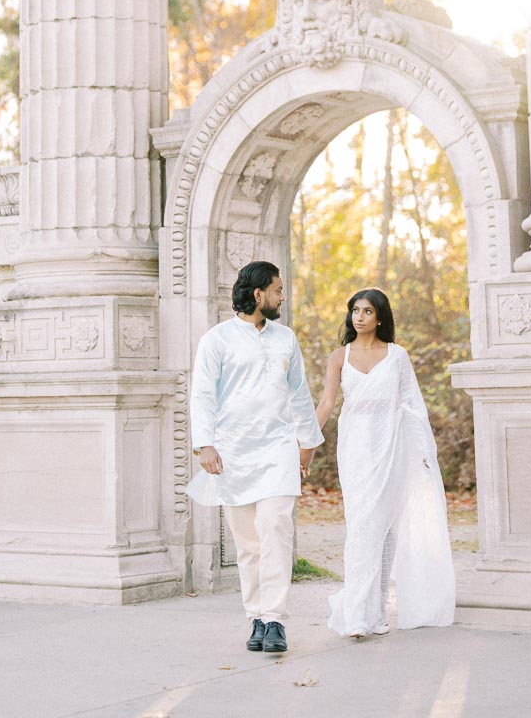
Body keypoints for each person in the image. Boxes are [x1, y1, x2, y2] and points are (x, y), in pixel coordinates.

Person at [187, 260, 324, 654]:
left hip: (279, 448)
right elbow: (203, 395)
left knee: (276, 529)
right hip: (233, 452)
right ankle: (257, 619)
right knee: (248, 544)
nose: (283, 296)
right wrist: (206, 444)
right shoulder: (217, 339)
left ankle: (277, 619)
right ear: (258, 293)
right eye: (278, 290)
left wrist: (307, 445)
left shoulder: (286, 339)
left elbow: (299, 393)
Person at [314, 287, 455, 638]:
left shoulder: (397, 356)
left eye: (367, 312)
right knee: (362, 525)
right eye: (355, 311)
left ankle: (373, 614)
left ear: (380, 317)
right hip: (355, 447)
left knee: (385, 528)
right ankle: (357, 613)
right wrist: (306, 441)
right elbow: (328, 404)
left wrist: (424, 452)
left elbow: (412, 404)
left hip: (392, 447)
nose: (359, 317)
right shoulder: (338, 357)